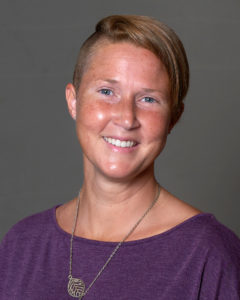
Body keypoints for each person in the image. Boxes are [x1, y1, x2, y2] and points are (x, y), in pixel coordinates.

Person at [0, 15, 239, 300]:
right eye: (106, 92)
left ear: (173, 118)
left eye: (148, 99)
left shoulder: (210, 255)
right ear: (73, 101)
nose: (126, 118)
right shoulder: (21, 245)